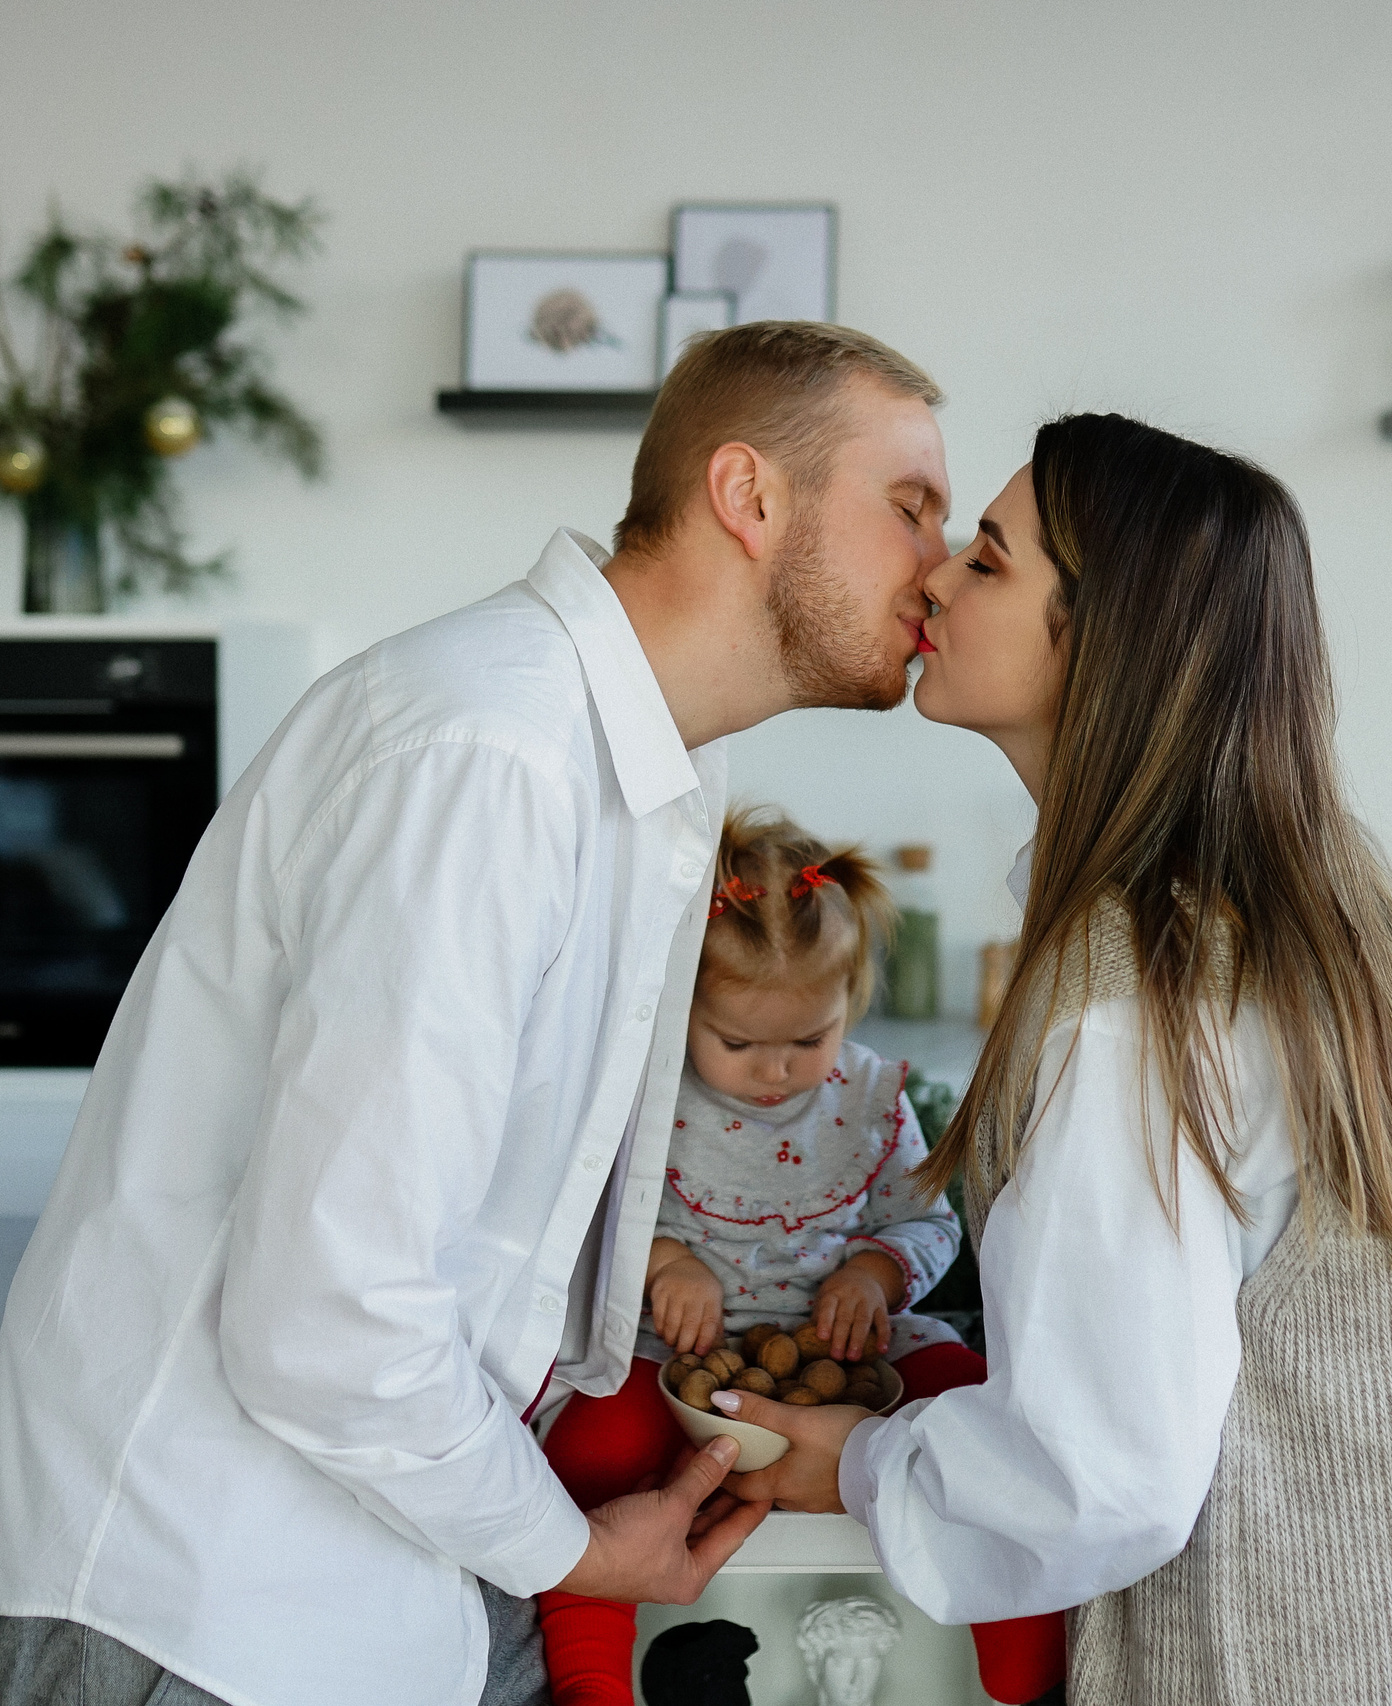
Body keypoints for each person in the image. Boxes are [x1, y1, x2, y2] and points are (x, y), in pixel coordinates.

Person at [0, 321, 951, 1706]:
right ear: (749, 497)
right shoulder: (489, 754)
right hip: (200, 1609)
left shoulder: (631, 767)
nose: (938, 559)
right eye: (910, 506)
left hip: (361, 1590)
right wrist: (561, 1544)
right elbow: (336, 1313)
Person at [716, 413, 1392, 1704]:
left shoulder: (1129, 995)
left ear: (1102, 641)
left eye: (992, 559)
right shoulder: (1304, 886)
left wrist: (862, 1459)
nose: (935, 577)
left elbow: (1103, 1470)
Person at [535, 809, 1064, 1705]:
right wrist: (664, 1260)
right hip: (677, 1361)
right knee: (593, 1442)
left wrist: (876, 1273)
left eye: (808, 1040)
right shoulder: (645, 1095)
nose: (775, 1070)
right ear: (679, 1008)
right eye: (738, 1043)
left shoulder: (870, 1100)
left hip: (851, 1360)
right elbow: (575, 1226)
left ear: (849, 1004)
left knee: (981, 1410)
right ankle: (589, 1680)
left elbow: (930, 1225)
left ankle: (1029, 1659)